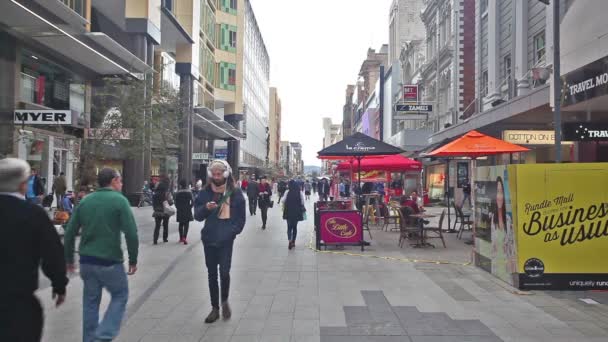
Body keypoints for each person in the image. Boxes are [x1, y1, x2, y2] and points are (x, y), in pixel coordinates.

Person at [64, 168, 138, 342]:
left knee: (90, 302)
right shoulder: (120, 201)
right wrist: (133, 259)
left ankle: (89, 339)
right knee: (120, 295)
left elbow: (69, 232)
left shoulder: (86, 201)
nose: (121, 184)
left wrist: (69, 259)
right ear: (113, 181)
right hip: (109, 260)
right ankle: (104, 335)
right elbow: (131, 233)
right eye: (120, 180)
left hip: (87, 261)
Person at [0, 158, 68, 342]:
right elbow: (52, 252)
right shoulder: (32, 214)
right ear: (23, 185)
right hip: (18, 303)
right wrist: (59, 284)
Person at [194, 160, 246, 323]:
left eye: (219, 174)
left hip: (225, 240)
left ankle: (224, 301)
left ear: (225, 174)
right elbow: (197, 215)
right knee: (211, 274)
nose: (216, 177)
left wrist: (232, 231)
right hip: (209, 238)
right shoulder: (205, 192)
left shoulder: (235, 193)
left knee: (224, 272)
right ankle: (214, 308)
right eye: (214, 174)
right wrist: (205, 208)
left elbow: (241, 219)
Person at [281, 180, 306, 250]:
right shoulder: (300, 192)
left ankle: (289, 240)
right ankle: (294, 242)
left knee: (289, 227)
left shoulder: (287, 192)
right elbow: (303, 202)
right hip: (297, 212)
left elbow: (283, 200)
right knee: (294, 227)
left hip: (288, 211)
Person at [152, 180, 173, 244]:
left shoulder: (155, 194)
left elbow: (153, 203)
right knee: (165, 225)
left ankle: (155, 240)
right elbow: (171, 202)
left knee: (157, 226)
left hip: (157, 211)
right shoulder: (166, 194)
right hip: (165, 211)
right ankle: (165, 238)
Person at [175, 179, 194, 245]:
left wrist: (178, 207)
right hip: (187, 209)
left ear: (180, 185)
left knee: (181, 224)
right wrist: (190, 207)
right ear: (186, 185)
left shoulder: (177, 192)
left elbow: (175, 202)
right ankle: (184, 237)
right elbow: (193, 201)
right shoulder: (189, 192)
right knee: (186, 224)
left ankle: (180, 237)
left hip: (180, 209)